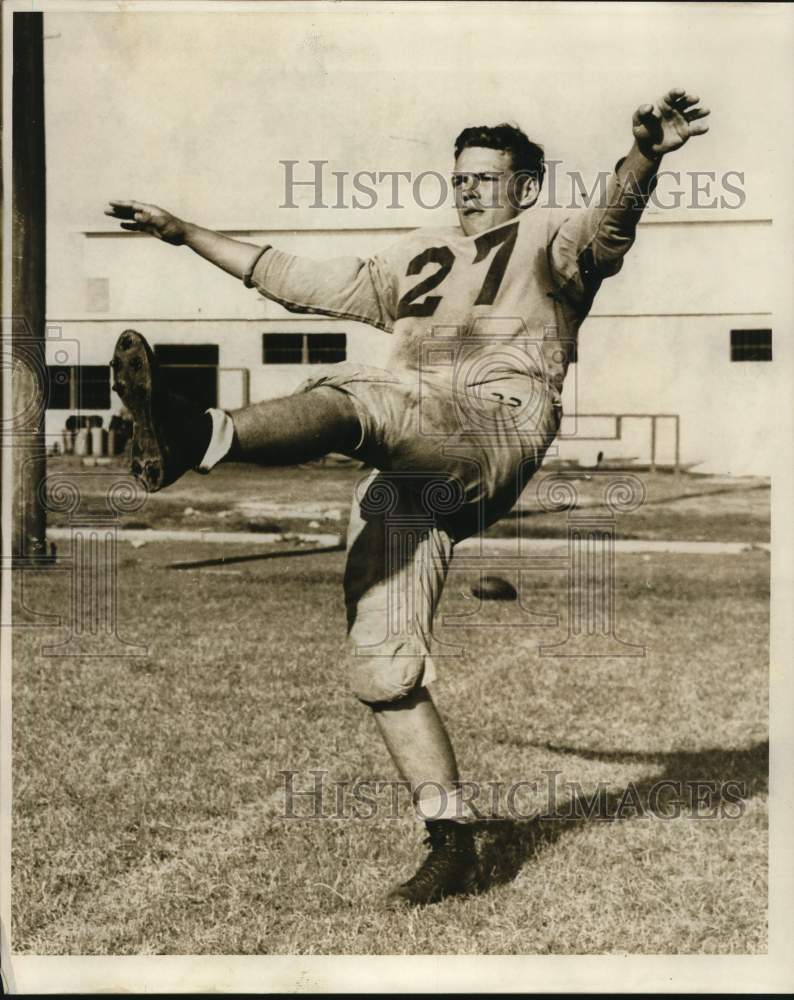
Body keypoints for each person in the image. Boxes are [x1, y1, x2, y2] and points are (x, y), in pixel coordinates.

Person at [105, 88, 709, 907]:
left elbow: (612, 226)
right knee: (381, 664)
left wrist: (644, 155)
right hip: (408, 466)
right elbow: (292, 280)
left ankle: (196, 436)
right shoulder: (419, 256)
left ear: (525, 186)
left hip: (493, 424)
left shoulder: (549, 237)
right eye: (460, 178)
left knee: (369, 391)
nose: (468, 192)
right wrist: (185, 235)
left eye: (487, 180)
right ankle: (452, 844)